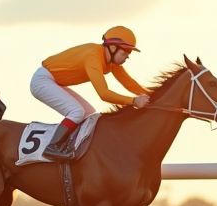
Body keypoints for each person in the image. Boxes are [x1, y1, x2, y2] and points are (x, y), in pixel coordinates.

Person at [30, 26, 151, 161]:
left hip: (54, 82)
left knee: (89, 113)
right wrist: (134, 101)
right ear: (112, 48)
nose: (127, 57)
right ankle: (51, 147)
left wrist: (152, 95)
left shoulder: (111, 63)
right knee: (77, 112)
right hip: (42, 81)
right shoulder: (93, 56)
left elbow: (129, 83)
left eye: (128, 53)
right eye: (125, 53)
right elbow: (103, 94)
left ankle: (69, 146)